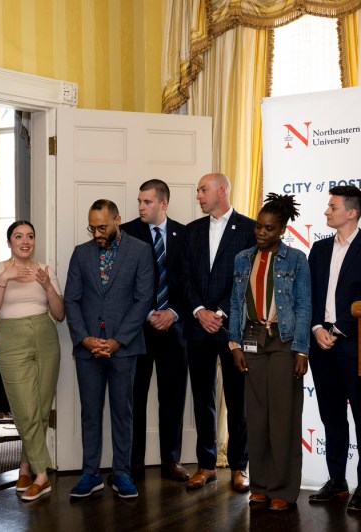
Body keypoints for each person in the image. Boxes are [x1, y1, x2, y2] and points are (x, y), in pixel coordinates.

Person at [65, 200, 155, 499]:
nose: (97, 233)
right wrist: (85, 338)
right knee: (90, 413)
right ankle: (90, 473)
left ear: (117, 219)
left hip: (124, 348)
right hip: (87, 349)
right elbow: (72, 301)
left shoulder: (140, 251)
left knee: (122, 412)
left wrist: (117, 340)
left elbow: (143, 300)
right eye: (92, 227)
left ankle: (122, 473)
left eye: (102, 227)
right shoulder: (81, 253)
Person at [228, 193, 310, 511]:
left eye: (269, 228)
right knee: (257, 416)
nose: (261, 233)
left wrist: (302, 350)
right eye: (259, 227)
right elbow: (236, 304)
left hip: (284, 341)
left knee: (282, 416)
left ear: (282, 230)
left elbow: (304, 306)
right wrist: (234, 344)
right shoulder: (242, 259)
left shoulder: (296, 260)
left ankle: (284, 490)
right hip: (252, 340)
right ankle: (260, 485)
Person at [307, 185, 361, 512]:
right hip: (320, 344)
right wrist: (316, 329)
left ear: (351, 212)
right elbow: (308, 294)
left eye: (333, 207)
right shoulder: (319, 248)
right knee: (331, 417)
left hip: (354, 345)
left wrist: (337, 330)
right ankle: (337, 481)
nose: (327, 211)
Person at [182, 172, 256, 492]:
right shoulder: (191, 231)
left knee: (238, 400)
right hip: (198, 328)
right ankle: (206, 465)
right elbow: (182, 276)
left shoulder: (250, 229)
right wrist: (200, 312)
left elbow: (248, 278)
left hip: (234, 329)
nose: (198, 195)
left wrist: (221, 313)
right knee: (202, 399)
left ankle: (240, 466)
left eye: (203, 190)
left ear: (222, 191)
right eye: (198, 190)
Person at [0, 220, 65, 502]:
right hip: (13, 336)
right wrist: (5, 278)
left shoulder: (45, 270)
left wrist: (48, 287)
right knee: (24, 410)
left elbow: (60, 314)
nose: (25, 241)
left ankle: (25, 467)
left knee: (40, 410)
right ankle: (43, 475)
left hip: (45, 335)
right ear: (10, 242)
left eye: (30, 235)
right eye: (18, 236)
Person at [121, 180, 191, 481]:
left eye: (147, 202)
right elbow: (124, 284)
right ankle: (133, 463)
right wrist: (149, 313)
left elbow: (190, 282)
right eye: (139, 201)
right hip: (139, 330)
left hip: (175, 331)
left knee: (173, 397)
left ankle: (171, 461)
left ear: (163, 203)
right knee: (133, 397)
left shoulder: (185, 234)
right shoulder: (127, 234)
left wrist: (173, 312)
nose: (140, 207)